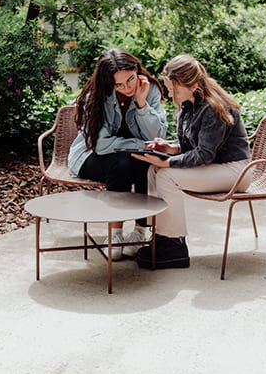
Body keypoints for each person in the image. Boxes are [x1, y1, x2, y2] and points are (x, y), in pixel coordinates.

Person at [131, 54, 252, 269]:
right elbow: (195, 149)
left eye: (173, 89)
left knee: (167, 175)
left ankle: (174, 246)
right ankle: (160, 236)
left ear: (193, 85)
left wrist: (167, 163)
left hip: (236, 171)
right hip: (215, 166)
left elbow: (204, 154)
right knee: (152, 170)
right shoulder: (189, 105)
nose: (170, 93)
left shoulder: (213, 108)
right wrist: (170, 149)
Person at [68, 48, 168, 260]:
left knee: (143, 161)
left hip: (132, 160)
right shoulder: (96, 95)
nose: (127, 87)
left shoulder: (150, 90)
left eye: (130, 80)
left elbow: (156, 135)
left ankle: (140, 232)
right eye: (119, 85)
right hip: (90, 157)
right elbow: (101, 145)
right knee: (122, 163)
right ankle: (115, 235)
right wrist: (139, 144)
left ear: (136, 70)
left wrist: (142, 103)